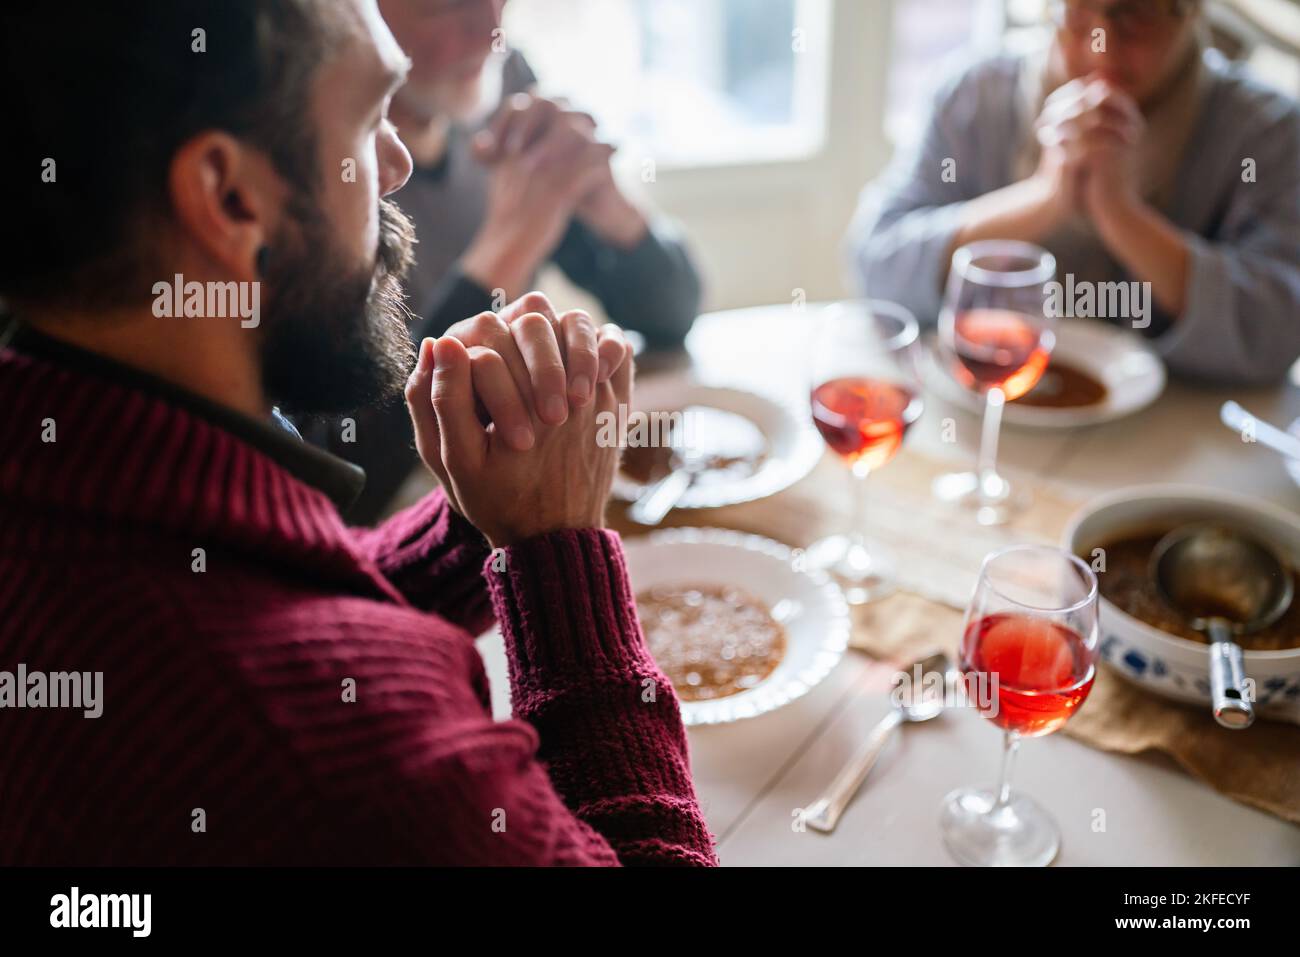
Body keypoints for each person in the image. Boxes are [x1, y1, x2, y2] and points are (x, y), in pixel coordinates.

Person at [0, 0, 716, 867]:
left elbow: (264, 597)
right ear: (230, 197)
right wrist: (558, 558)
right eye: (372, 115)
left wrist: (476, 517)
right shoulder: (362, 753)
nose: (397, 160)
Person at [304, 0, 703, 523]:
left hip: (514, 494)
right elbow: (339, 481)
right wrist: (505, 251)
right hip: (403, 534)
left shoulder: (499, 81)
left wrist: (613, 210)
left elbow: (671, 314)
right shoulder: (322, 156)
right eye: (445, 9)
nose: (491, 30)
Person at [848, 0, 1300, 385]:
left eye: (1134, 17)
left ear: (1191, 13)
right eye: (1078, 16)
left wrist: (1121, 216)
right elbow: (876, 264)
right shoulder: (974, 95)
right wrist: (1044, 198)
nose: (1101, 50)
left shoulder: (1267, 133)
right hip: (981, 414)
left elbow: (1278, 333)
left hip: (1186, 445)